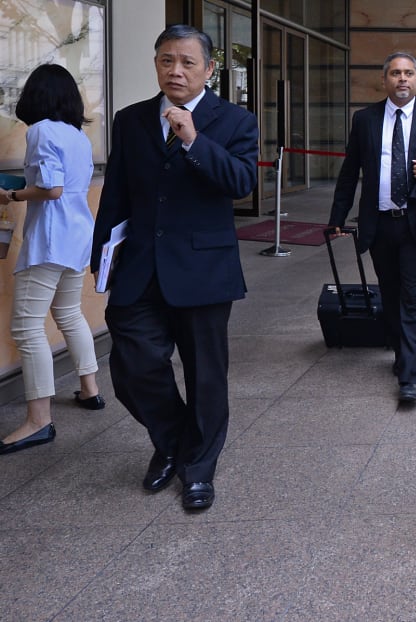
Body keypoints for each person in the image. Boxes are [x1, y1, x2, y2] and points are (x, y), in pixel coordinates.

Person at [91, 25, 258, 510]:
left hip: (203, 269)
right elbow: (117, 192)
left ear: (209, 69)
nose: (176, 70)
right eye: (167, 60)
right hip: (140, 266)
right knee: (132, 367)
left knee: (206, 374)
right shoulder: (131, 119)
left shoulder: (234, 120)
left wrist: (193, 142)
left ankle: (198, 468)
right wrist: (102, 254)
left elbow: (242, 181)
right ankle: (172, 441)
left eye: (187, 62)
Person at [328, 52, 416, 403]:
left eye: (408, 73)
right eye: (395, 73)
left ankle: (409, 375)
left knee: (414, 297)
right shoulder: (366, 120)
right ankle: (404, 352)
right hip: (380, 226)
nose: (402, 79)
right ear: (384, 80)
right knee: (390, 295)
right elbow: (350, 171)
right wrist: (337, 217)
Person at [0, 64, 105, 456]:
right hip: (77, 237)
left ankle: (38, 421)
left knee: (27, 329)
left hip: (50, 240)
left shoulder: (41, 130)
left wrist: (10, 197)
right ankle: (90, 389)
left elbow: (51, 188)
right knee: (69, 313)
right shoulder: (77, 135)